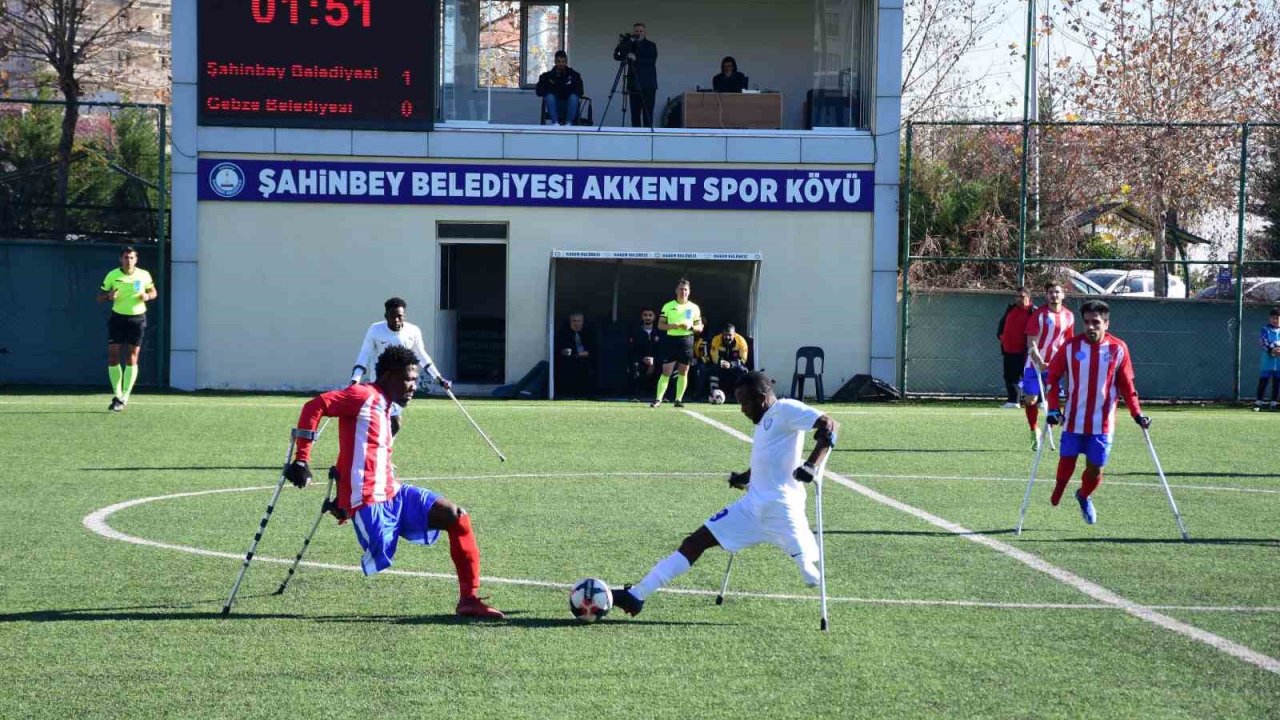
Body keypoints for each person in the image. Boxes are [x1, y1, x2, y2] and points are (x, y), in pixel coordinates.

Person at [286, 346, 504, 619]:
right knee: (382, 552)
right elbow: (314, 406)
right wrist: (301, 460)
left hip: (394, 494)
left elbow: (354, 452)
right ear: (388, 376)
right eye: (407, 379)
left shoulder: (388, 407)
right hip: (369, 503)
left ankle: (469, 600)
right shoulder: (363, 395)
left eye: (414, 380)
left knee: (456, 516)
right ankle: (354, 515)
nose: (413, 387)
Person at [612, 371, 839, 617]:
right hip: (750, 508)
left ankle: (804, 563)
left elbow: (830, 425)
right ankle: (637, 595)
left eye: (744, 403)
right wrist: (745, 477)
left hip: (781, 507)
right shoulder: (764, 421)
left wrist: (812, 465)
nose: (741, 410)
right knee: (694, 542)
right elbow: (769, 459)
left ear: (762, 398)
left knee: (807, 569)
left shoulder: (785, 409)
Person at [1045, 300, 1151, 525]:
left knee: (1095, 469)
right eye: (1087, 323)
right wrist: (1053, 408)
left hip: (1102, 423)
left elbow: (1127, 386)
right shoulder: (1070, 347)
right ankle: (1060, 488)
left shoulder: (1118, 348)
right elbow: (1052, 379)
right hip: (1073, 419)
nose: (1090, 327)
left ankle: (1083, 495)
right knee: (1067, 460)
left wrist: (1137, 414)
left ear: (1106, 323)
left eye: (1096, 323)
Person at [352, 297, 451, 436]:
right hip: (380, 383)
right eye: (393, 316)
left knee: (395, 423)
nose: (397, 320)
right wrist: (355, 379)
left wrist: (439, 378)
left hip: (401, 385)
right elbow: (364, 354)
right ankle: (379, 452)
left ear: (404, 315)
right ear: (386, 316)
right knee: (386, 421)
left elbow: (422, 355)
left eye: (400, 316)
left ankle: (383, 452)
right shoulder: (375, 330)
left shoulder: (413, 331)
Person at [96, 246, 157, 412]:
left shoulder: (144, 275)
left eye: (131, 258)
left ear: (136, 260)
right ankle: (118, 394)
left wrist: (147, 296)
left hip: (137, 319)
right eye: (125, 257)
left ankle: (124, 398)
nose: (128, 261)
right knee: (113, 355)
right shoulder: (112, 275)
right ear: (120, 259)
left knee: (132, 357)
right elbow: (99, 298)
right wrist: (109, 297)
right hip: (117, 318)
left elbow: (153, 292)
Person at [1021, 280, 1074, 449]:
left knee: (1056, 401)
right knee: (1031, 400)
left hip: (1055, 365)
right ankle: (1033, 429)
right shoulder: (1039, 315)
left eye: (1057, 292)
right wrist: (1039, 361)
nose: (1054, 295)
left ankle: (1047, 431)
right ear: (1046, 295)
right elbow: (1031, 343)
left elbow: (1069, 342)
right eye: (1051, 292)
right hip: (1034, 364)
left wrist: (1066, 363)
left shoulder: (1069, 316)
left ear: (1063, 295)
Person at [653, 279, 703, 408]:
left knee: (684, 371)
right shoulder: (668, 306)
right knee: (666, 371)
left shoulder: (694, 307)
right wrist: (672, 326)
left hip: (686, 340)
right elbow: (660, 325)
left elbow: (700, 327)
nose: (683, 292)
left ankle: (678, 400)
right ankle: (658, 399)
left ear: (689, 292)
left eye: (685, 289)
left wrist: (690, 326)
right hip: (670, 341)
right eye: (681, 289)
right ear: (676, 291)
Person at [997, 287, 1036, 409]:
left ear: (1029, 298)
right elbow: (1002, 325)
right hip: (1009, 351)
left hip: (1025, 352)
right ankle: (1013, 401)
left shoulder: (1034, 311)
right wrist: (1002, 337)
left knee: (1028, 377)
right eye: (1017, 296)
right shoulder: (1011, 309)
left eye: (1022, 296)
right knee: (1010, 377)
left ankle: (1038, 401)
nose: (1019, 299)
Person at [614, 22, 658, 127]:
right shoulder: (630, 45)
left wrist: (636, 58)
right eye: (636, 31)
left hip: (648, 84)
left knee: (647, 114)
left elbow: (650, 61)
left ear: (644, 32)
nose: (638, 33)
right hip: (633, 84)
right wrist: (620, 45)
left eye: (640, 31)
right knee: (635, 115)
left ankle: (648, 137)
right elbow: (617, 57)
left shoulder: (651, 45)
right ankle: (637, 138)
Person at [536, 50, 584, 126]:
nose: (561, 64)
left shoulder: (574, 75)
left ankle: (568, 124)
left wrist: (562, 89)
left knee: (574, 97)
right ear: (555, 61)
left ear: (566, 62)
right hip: (554, 105)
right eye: (559, 61)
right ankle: (555, 124)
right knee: (549, 97)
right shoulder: (547, 76)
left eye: (563, 61)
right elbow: (539, 91)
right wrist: (550, 91)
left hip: (569, 105)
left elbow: (580, 91)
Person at [555, 311, 596, 398]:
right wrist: (569, 353)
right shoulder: (563, 334)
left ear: (583, 322)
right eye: (574, 321)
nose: (576, 323)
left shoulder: (589, 334)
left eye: (579, 321)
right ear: (569, 322)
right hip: (569, 362)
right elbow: (561, 349)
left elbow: (594, 348)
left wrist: (585, 353)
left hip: (586, 362)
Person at [627, 307, 663, 399]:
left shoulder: (660, 332)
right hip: (640, 360)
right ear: (642, 317)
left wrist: (654, 361)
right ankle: (635, 396)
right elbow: (631, 349)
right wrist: (643, 358)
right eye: (645, 315)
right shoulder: (635, 331)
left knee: (666, 368)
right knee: (635, 366)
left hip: (657, 361)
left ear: (654, 317)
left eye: (650, 315)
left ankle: (662, 396)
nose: (648, 317)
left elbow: (663, 349)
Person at [709, 322, 750, 399]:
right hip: (720, 365)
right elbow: (714, 357)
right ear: (722, 334)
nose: (727, 337)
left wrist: (731, 364)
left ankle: (740, 395)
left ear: (734, 334)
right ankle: (714, 393)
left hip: (735, 366)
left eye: (730, 335)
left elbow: (743, 359)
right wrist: (721, 362)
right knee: (713, 368)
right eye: (725, 335)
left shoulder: (741, 341)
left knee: (743, 370)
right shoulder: (716, 339)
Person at [1255, 306, 1280, 411]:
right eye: (1273, 318)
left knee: (1277, 383)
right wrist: (1271, 350)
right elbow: (1263, 342)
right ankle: (1258, 403)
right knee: (1263, 381)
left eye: (1277, 318)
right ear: (1269, 318)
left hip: (1278, 363)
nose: (1275, 320)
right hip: (1267, 361)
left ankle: (1273, 403)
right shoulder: (1265, 329)